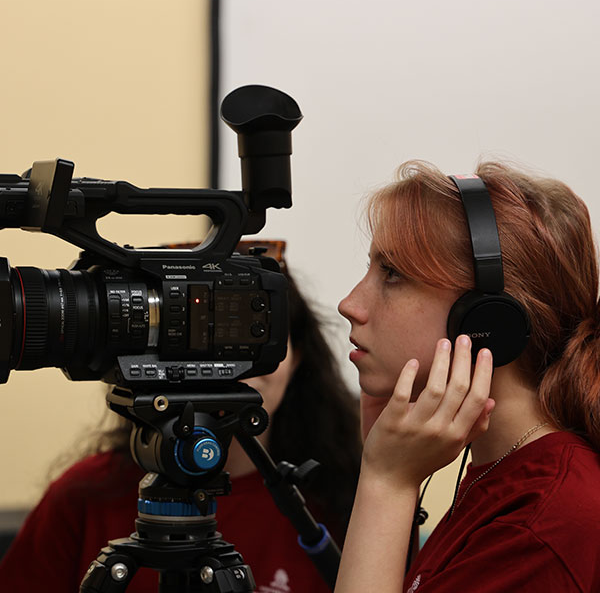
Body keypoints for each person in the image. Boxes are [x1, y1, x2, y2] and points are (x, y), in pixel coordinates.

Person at [0, 240, 361, 592]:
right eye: (198, 332)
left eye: (249, 333)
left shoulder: (341, 502)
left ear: (297, 356)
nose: (230, 368)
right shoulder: (83, 496)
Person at [334, 161, 600, 592]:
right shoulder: (502, 475)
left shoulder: (544, 524)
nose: (350, 304)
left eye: (393, 273)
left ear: (487, 319)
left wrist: (387, 483)